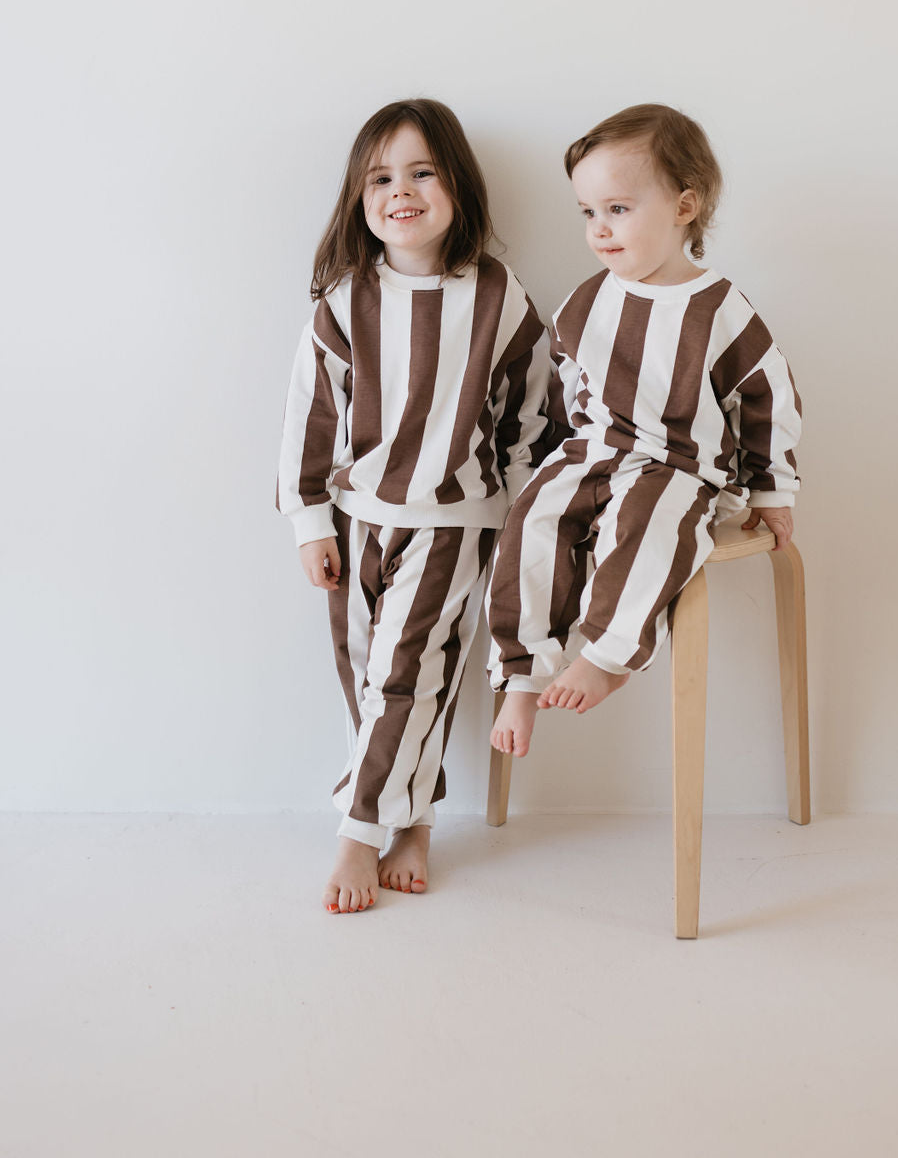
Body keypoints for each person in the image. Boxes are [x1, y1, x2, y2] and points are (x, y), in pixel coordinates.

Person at [277, 99, 551, 912]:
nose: (402, 190)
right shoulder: (342, 302)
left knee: (406, 675)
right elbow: (310, 415)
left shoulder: (499, 298)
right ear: (359, 199)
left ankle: (358, 835)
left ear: (457, 185)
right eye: (382, 177)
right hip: (359, 521)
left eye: (423, 171)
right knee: (377, 681)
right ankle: (418, 819)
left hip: (454, 523)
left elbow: (535, 419)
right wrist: (308, 522)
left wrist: (526, 525)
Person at [488, 103, 801, 757]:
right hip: (592, 450)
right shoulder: (587, 299)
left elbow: (769, 398)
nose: (599, 229)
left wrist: (771, 494)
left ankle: (608, 653)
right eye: (588, 213)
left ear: (685, 206)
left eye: (618, 209)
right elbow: (566, 385)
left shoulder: (719, 308)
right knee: (534, 517)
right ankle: (522, 669)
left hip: (678, 463)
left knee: (651, 522)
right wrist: (558, 464)